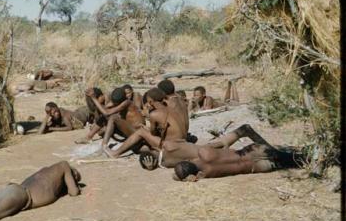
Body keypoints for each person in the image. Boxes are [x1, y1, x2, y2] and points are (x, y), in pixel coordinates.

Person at [103, 88, 199, 159]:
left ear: (150, 101)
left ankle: (115, 153)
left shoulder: (155, 114)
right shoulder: (171, 108)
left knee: (141, 132)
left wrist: (146, 126)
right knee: (141, 143)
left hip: (171, 145)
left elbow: (153, 134)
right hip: (182, 142)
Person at [138, 124, 273, 170]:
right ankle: (270, 149)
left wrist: (150, 166)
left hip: (208, 156)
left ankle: (269, 151)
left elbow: (149, 156)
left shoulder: (166, 164)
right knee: (245, 129)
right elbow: (181, 140)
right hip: (208, 149)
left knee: (241, 153)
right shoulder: (168, 145)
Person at [172, 142, 303, 181]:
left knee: (294, 163)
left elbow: (182, 177)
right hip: (255, 151)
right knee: (294, 156)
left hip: (259, 166)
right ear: (189, 160)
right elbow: (222, 144)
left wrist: (184, 177)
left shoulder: (206, 174)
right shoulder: (204, 151)